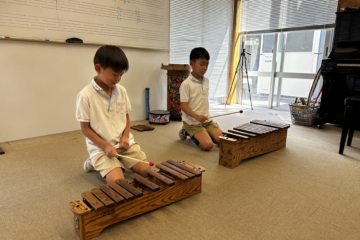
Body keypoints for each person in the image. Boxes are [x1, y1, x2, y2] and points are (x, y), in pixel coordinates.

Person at [76, 45, 150, 183]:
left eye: (121, 75)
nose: (118, 79)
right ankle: (94, 160)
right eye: (115, 74)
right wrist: (105, 146)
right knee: (119, 182)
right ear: (98, 69)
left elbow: (126, 117)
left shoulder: (121, 91)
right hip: (101, 148)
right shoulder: (85, 95)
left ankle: (117, 161)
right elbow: (85, 128)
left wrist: (126, 136)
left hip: (124, 145)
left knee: (149, 173)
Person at [179, 47, 223, 151]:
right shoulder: (186, 84)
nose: (205, 68)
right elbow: (183, 106)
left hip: (206, 120)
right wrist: (197, 116)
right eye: (201, 64)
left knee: (223, 142)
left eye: (207, 65)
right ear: (192, 63)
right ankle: (186, 130)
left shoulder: (206, 81)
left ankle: (205, 132)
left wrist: (203, 117)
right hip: (192, 122)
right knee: (207, 146)